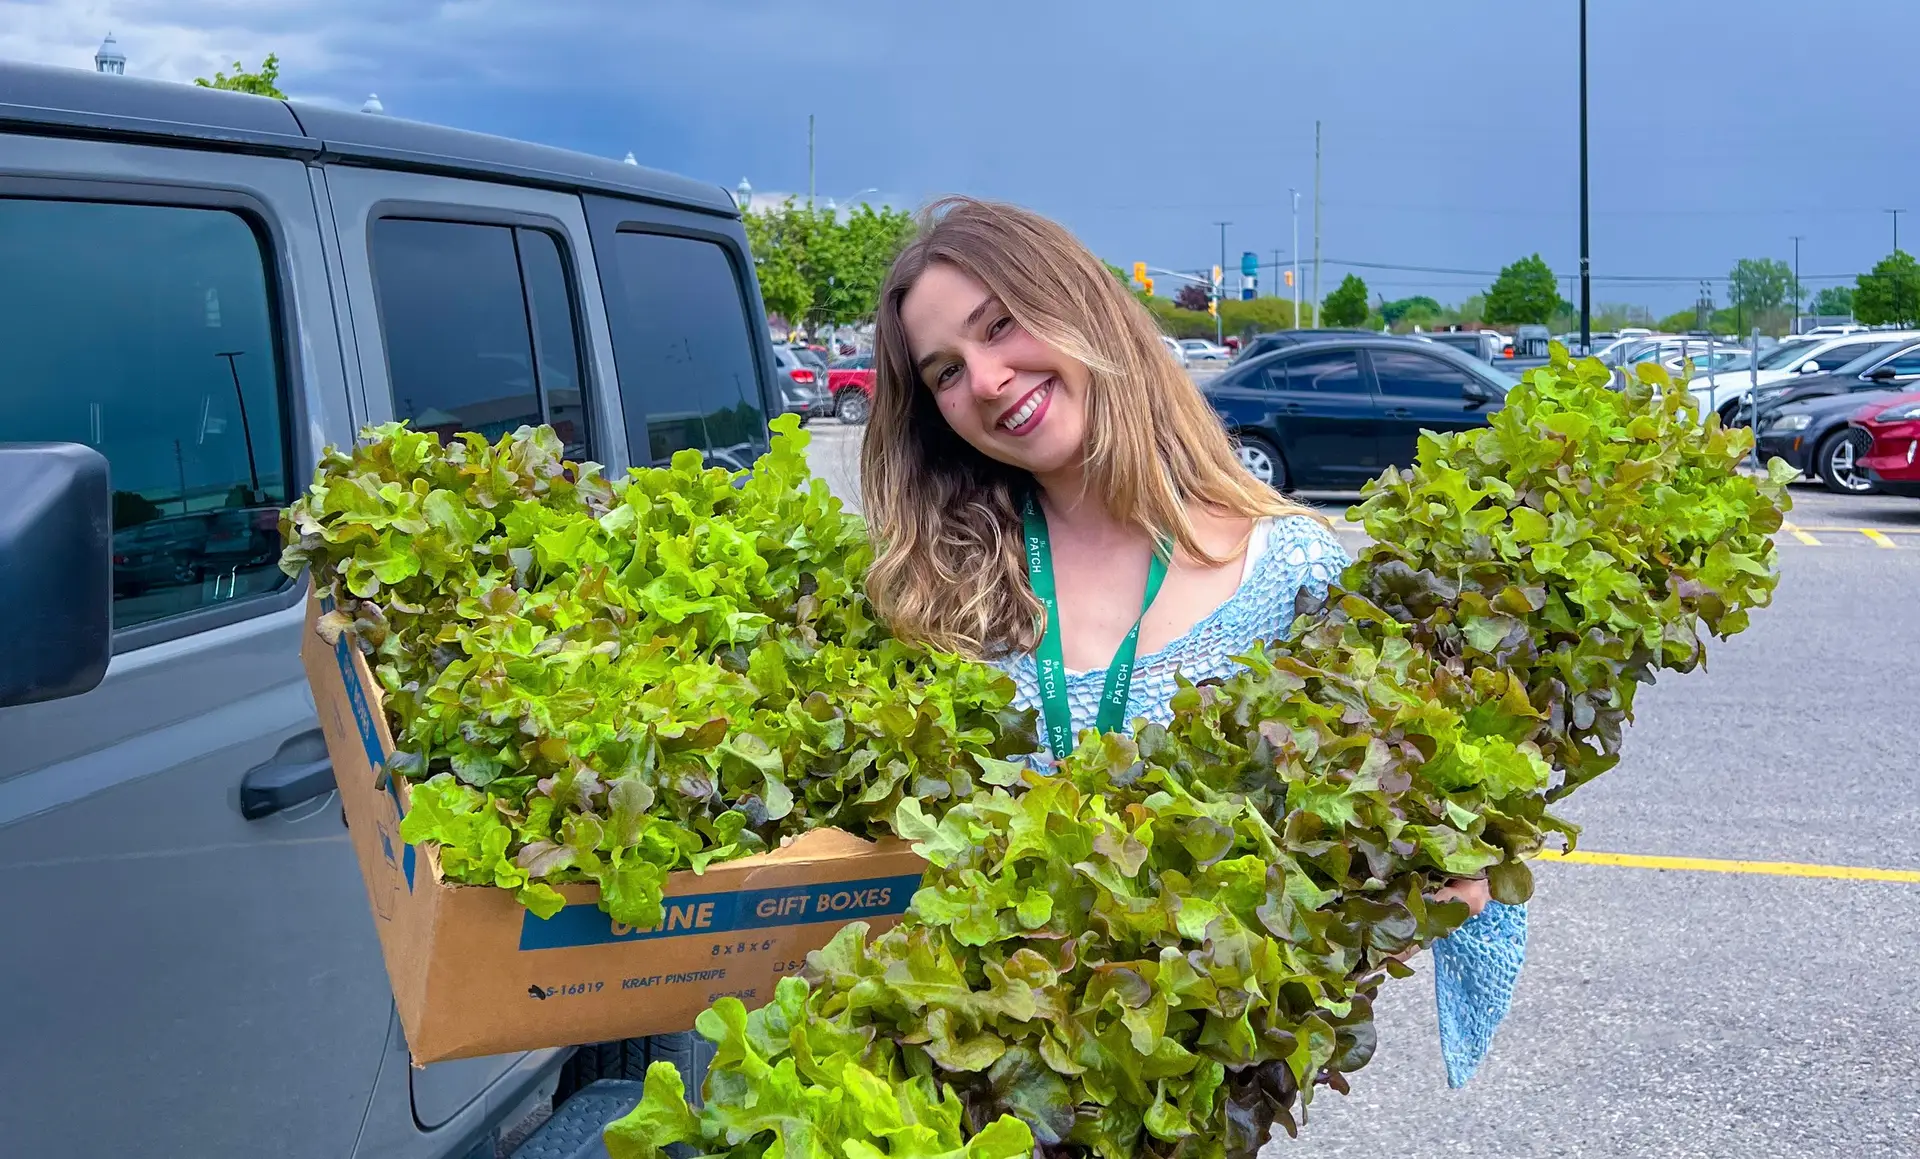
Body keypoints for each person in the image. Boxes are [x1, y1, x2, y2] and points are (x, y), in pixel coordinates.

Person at [860, 195, 1526, 1089]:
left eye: (1002, 326)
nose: (984, 381)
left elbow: (1408, 837)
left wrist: (1441, 866)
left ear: (1084, 308)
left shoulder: (1286, 569)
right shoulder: (937, 591)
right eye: (945, 371)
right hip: (981, 1105)